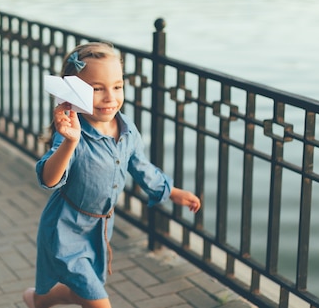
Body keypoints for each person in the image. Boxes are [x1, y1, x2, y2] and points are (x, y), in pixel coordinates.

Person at [23, 42, 201, 308]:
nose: (110, 98)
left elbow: (141, 167)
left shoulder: (126, 128)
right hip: (65, 230)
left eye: (117, 86)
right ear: (75, 91)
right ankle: (40, 298)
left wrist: (172, 192)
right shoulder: (73, 131)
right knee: (97, 301)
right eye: (97, 89)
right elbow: (49, 179)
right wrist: (71, 141)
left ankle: (38, 299)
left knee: (83, 292)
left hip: (99, 230)